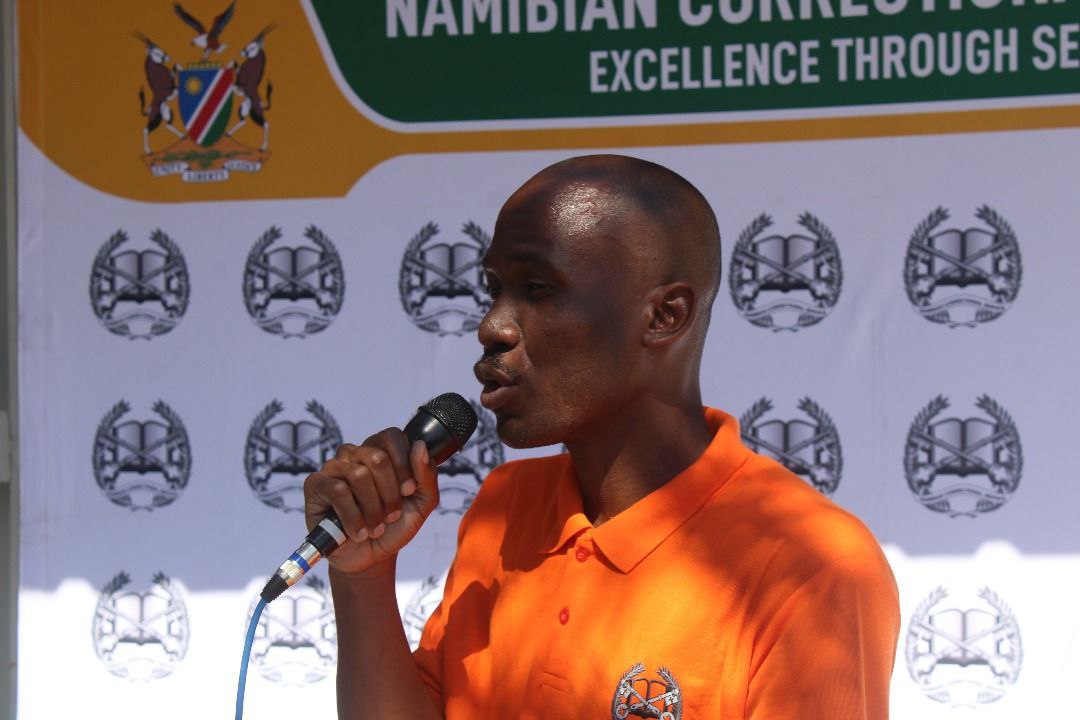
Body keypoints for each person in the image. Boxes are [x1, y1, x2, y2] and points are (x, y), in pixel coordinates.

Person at [304, 155, 900, 719]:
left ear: (665, 316)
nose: (492, 326)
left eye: (538, 290)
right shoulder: (504, 506)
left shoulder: (815, 564)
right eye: (494, 289)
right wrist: (362, 577)